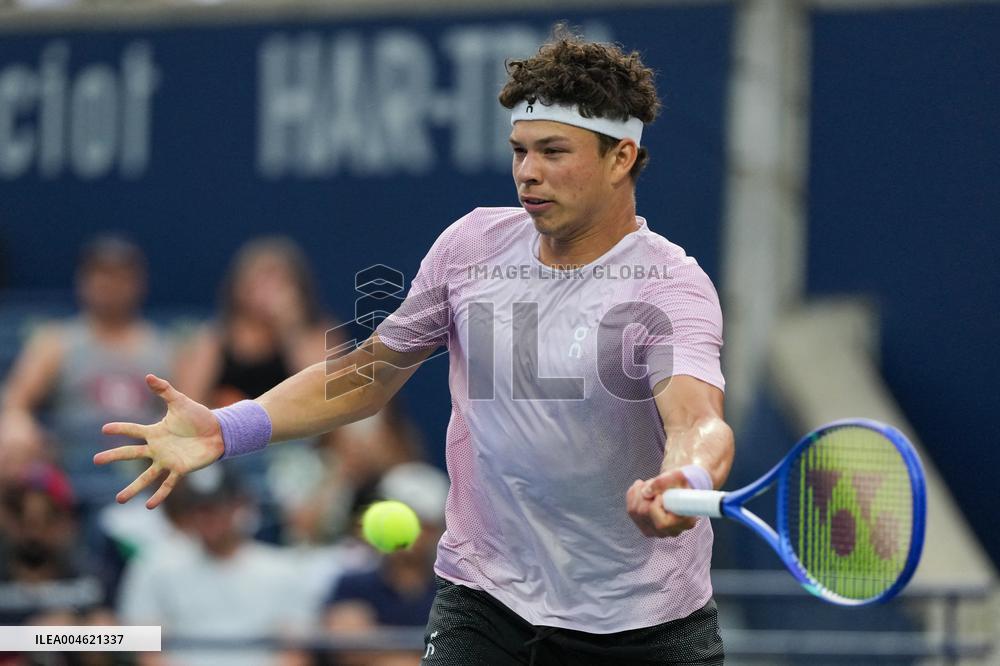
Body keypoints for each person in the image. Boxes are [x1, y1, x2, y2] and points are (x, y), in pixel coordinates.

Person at [96, 28, 734, 665]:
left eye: (553, 151)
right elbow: (369, 374)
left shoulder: (671, 287)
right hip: (485, 603)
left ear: (621, 158)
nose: (528, 173)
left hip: (642, 623)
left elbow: (698, 421)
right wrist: (226, 429)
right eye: (518, 151)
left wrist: (686, 478)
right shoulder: (473, 245)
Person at [0, 235, 172, 512]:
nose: (109, 285)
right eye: (100, 274)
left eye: (119, 276)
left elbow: (187, 409)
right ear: (83, 281)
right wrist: (16, 424)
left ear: (138, 283)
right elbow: (16, 402)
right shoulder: (56, 341)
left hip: (145, 459)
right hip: (67, 459)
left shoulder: (164, 347)